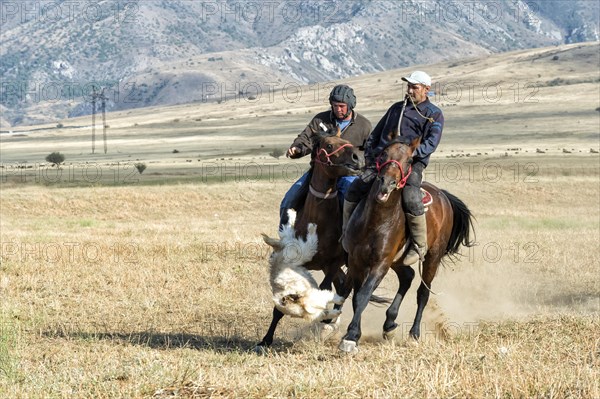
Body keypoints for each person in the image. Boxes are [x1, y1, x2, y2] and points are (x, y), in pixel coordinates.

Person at [342, 71, 444, 265]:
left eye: (415, 87)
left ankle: (419, 245)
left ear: (426, 89)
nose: (410, 90)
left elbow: (432, 143)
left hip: (411, 164)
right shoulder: (396, 109)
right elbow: (375, 135)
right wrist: (371, 157)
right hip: (384, 162)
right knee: (354, 188)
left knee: (412, 197)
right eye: (409, 86)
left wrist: (410, 154)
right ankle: (346, 233)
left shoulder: (434, 114)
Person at [279, 84, 372, 228]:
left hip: (348, 174)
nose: (338, 109)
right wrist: (297, 148)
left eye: (341, 106)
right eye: (334, 105)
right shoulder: (320, 120)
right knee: (289, 200)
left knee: (354, 203)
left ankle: (349, 239)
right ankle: (285, 239)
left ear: (350, 105)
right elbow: (306, 138)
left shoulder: (364, 125)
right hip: (320, 173)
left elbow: (371, 152)